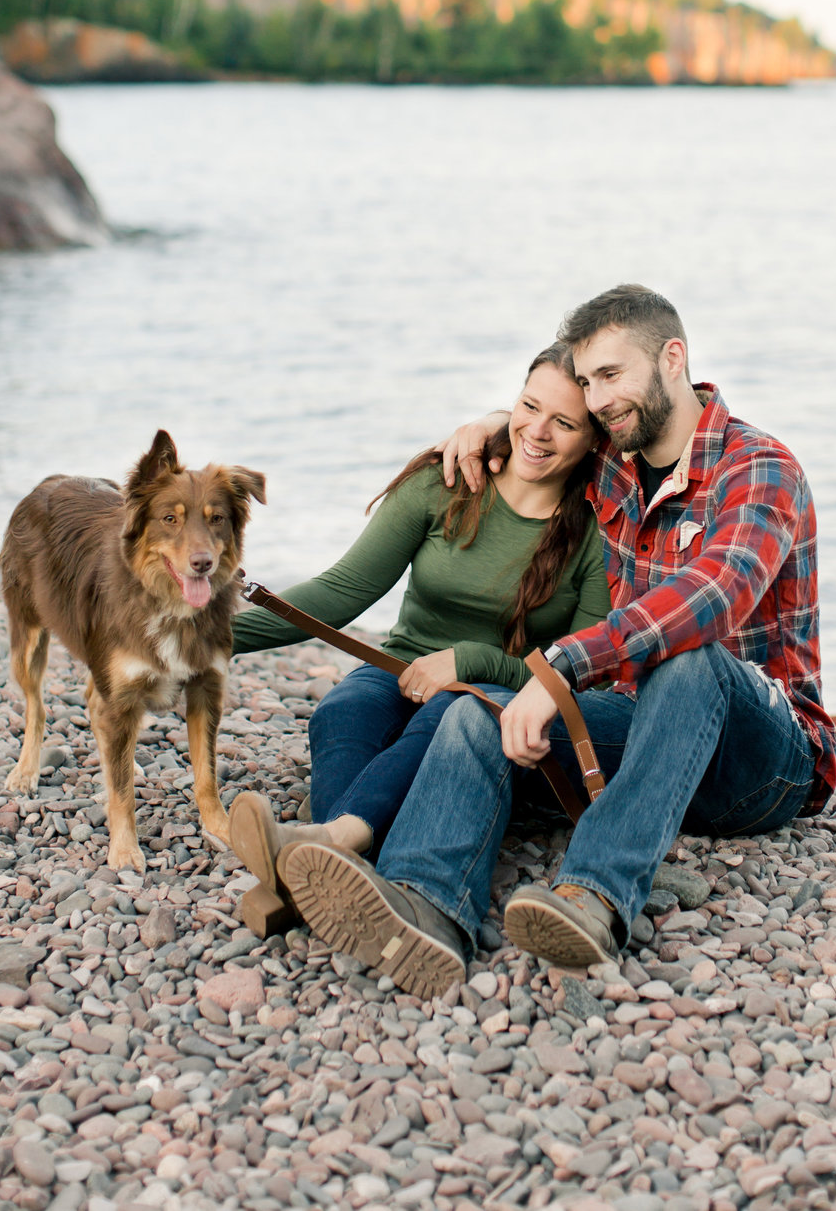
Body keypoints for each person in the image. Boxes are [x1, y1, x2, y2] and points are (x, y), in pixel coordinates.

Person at [277, 284, 836, 998]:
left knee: (689, 656)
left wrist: (558, 669)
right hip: (640, 743)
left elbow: (713, 596)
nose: (598, 398)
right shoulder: (612, 461)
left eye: (611, 376)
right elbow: (543, 434)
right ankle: (424, 903)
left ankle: (596, 896)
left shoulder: (758, 468)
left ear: (673, 358)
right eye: (588, 381)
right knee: (476, 707)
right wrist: (488, 424)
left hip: (760, 760)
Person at [226, 343, 611, 935]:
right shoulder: (449, 480)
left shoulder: (592, 532)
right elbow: (341, 591)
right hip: (397, 665)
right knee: (341, 711)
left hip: (495, 698)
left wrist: (470, 660)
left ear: (592, 439)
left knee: (445, 722)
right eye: (528, 407)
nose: (537, 431)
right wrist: (211, 638)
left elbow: (576, 669)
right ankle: (329, 869)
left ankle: (325, 846)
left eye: (564, 422)